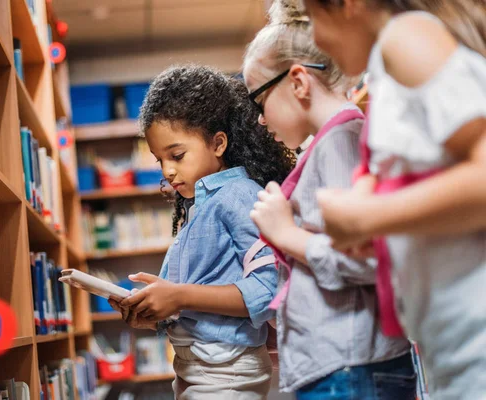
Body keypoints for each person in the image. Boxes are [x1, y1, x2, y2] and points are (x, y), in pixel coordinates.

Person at [301, 0, 486, 397]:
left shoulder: (405, 36)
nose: (313, 38)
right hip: (451, 347)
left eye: (312, 16)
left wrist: (369, 217)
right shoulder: (390, 66)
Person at [241, 2, 415, 399]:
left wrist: (285, 233)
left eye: (259, 101)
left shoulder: (340, 141)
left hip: (351, 367)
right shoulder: (330, 143)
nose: (260, 120)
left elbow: (367, 258)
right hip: (343, 366)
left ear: (298, 82)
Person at [111, 64, 294, 399]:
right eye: (159, 160)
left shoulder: (238, 195)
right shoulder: (200, 206)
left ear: (218, 143)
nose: (167, 170)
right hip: (196, 368)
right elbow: (199, 303)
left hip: (226, 372)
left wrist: (179, 296)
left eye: (177, 155)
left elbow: (269, 291)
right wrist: (153, 313)